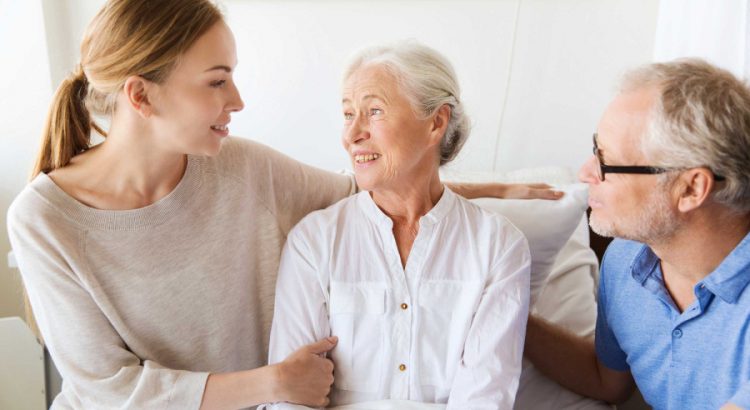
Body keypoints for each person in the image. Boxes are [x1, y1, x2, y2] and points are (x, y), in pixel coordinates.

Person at [6, 1, 557, 408]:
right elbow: (108, 389)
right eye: (218, 81)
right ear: (141, 95)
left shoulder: (242, 167)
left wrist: (496, 189)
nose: (238, 101)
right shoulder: (45, 220)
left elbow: (375, 188)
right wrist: (271, 382)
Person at [265, 42, 531, 410]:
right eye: (347, 114)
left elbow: (485, 399)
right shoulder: (314, 242)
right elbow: (288, 399)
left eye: (374, 111)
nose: (352, 134)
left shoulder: (499, 245)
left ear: (436, 122)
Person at [523, 59, 750, 410]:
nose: (586, 173)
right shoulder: (629, 258)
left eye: (606, 161)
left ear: (691, 188)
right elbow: (606, 379)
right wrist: (504, 312)